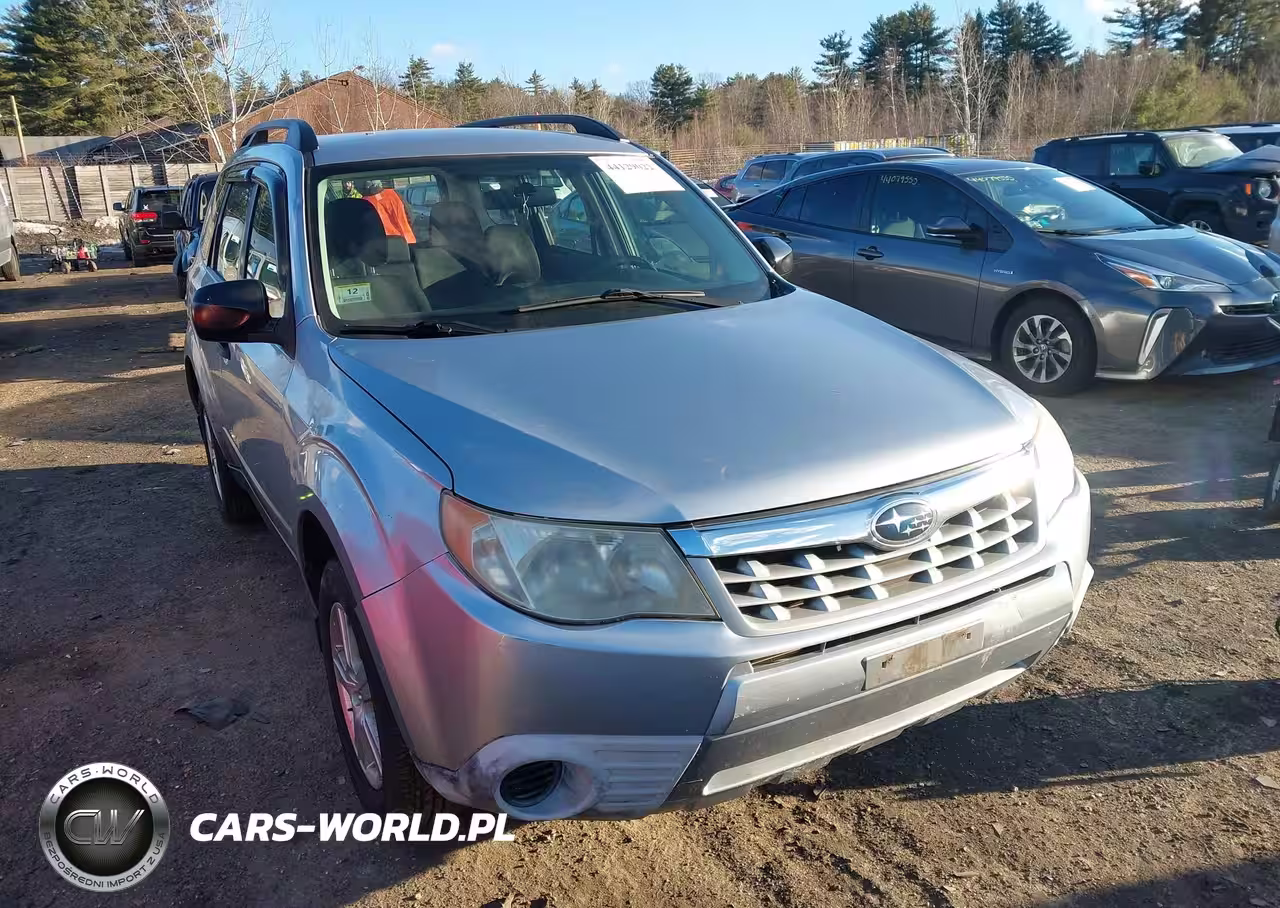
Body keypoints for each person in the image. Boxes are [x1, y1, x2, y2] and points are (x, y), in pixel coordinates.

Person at [359, 179, 416, 244]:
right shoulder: (394, 194)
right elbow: (410, 215)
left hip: (382, 246)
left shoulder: (363, 202)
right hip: (407, 242)